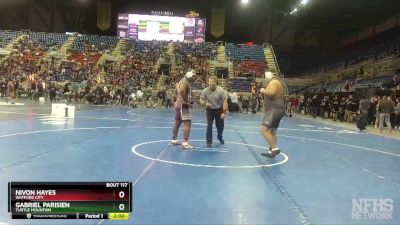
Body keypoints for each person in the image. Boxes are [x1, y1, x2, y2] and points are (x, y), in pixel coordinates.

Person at [259, 71, 285, 158]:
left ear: (269, 75)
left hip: (274, 109)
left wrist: (263, 90)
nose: (265, 78)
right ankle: (272, 151)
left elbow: (272, 93)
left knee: (263, 130)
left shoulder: (274, 82)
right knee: (273, 131)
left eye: (265, 75)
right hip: (276, 109)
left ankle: (275, 149)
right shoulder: (276, 82)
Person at [200, 76, 228, 148]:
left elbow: (225, 101)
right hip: (210, 109)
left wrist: (224, 112)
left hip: (219, 109)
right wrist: (205, 103)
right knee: (209, 125)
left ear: (216, 83)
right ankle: (209, 141)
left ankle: (219, 136)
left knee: (220, 126)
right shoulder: (205, 90)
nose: (210, 83)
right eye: (209, 81)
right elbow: (201, 100)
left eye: (212, 81)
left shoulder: (221, 90)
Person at [171, 70, 196, 149]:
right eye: (194, 77)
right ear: (190, 76)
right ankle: (185, 143)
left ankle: (174, 140)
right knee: (187, 123)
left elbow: (175, 92)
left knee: (177, 121)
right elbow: (182, 91)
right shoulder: (185, 82)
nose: (195, 79)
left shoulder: (180, 82)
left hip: (178, 105)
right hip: (183, 105)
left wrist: (177, 100)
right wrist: (186, 101)